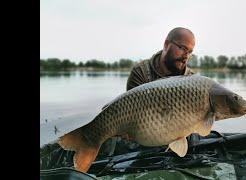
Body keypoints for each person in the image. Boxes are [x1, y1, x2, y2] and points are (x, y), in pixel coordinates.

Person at [40, 27, 200, 170]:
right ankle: (87, 141)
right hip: (145, 131)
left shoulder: (192, 82)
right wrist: (127, 129)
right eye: (182, 48)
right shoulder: (141, 72)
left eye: (190, 52)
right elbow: (131, 109)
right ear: (166, 44)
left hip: (177, 134)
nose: (186, 56)